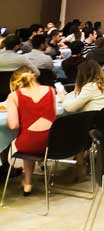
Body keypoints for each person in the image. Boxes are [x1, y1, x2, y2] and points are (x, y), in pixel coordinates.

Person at [5, 67, 56, 195]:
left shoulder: (14, 96)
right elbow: (53, 117)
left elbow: (13, 125)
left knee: (28, 139)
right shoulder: (51, 90)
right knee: (36, 137)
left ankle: (27, 182)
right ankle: (28, 180)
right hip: (52, 144)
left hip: (28, 144)